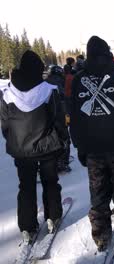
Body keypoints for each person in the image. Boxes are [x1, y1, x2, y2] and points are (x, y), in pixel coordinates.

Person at [70, 36, 114, 251]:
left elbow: (74, 117)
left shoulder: (78, 80)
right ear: (107, 53)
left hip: (93, 149)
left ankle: (101, 236)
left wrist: (80, 145)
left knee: (98, 194)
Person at [0, 50, 67, 242]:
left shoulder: (8, 93)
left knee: (26, 186)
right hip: (47, 147)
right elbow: (58, 118)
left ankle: (27, 227)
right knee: (50, 182)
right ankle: (53, 216)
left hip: (21, 150)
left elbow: (5, 124)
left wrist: (13, 141)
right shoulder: (48, 90)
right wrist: (62, 138)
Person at [46, 65, 72, 173]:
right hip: (61, 113)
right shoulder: (60, 82)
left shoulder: (45, 82)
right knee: (64, 137)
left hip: (47, 114)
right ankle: (62, 162)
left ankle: (50, 162)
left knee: (50, 137)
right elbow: (64, 96)